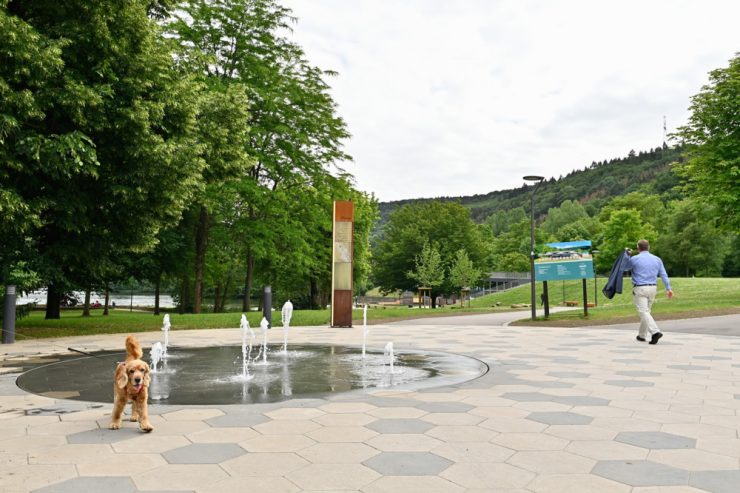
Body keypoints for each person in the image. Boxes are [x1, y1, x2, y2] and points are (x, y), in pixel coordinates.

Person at [626, 239, 673, 344]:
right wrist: (668, 288)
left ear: (638, 248)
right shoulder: (657, 259)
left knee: (643, 312)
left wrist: (627, 256)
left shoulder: (634, 259)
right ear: (649, 247)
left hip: (640, 288)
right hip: (653, 288)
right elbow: (663, 274)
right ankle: (642, 335)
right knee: (646, 312)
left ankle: (655, 332)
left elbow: (624, 268)